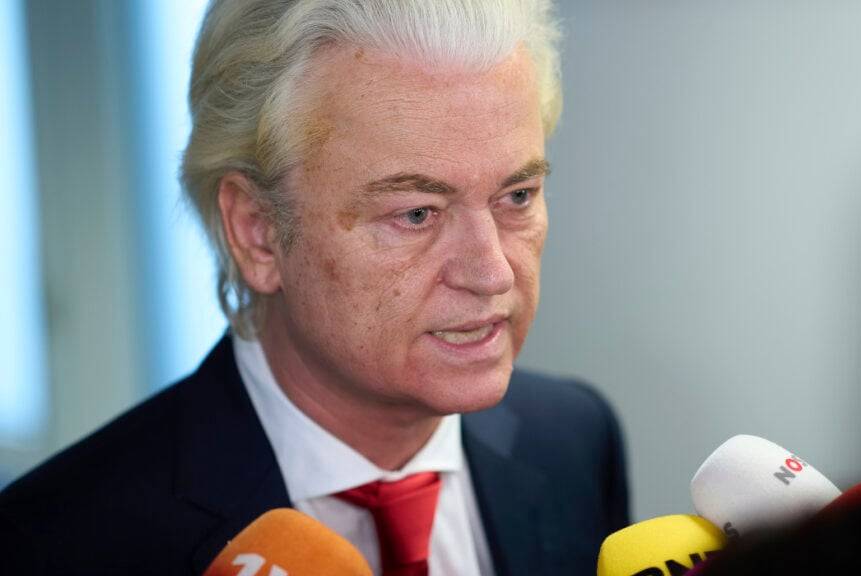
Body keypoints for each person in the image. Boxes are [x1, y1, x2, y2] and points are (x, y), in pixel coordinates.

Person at [0, 1, 630, 574]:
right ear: (258, 231)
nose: (493, 273)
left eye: (517, 196)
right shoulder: (53, 543)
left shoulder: (575, 437)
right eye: (416, 213)